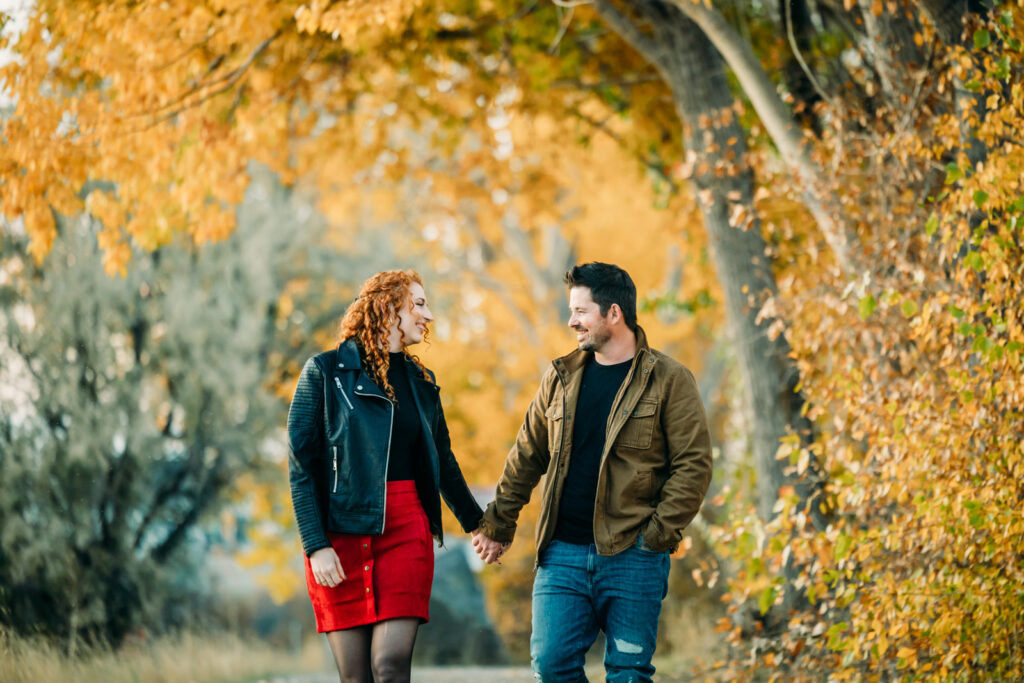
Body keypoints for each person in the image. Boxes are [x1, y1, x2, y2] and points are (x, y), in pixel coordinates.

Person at [473, 262, 713, 682]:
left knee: (628, 673)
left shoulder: (669, 380)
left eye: (581, 312)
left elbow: (694, 466)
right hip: (561, 553)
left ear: (613, 313)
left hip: (633, 554)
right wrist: (498, 522)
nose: (572, 322)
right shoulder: (560, 377)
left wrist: (654, 537)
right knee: (551, 666)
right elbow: (527, 454)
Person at [287, 269, 484, 683]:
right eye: (419, 304)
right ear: (388, 307)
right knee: (356, 677)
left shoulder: (422, 383)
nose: (428, 315)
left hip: (405, 530)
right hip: (339, 533)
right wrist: (315, 545)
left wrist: (479, 525)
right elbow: (301, 468)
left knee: (390, 667)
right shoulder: (324, 374)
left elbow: (443, 462)